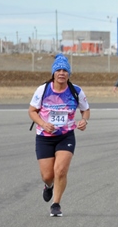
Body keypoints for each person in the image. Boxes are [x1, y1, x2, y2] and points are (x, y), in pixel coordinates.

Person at [28, 54, 90, 217]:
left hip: (66, 136)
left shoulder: (75, 91)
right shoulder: (43, 90)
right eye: (58, 70)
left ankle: (56, 204)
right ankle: (48, 186)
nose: (61, 73)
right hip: (44, 137)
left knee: (61, 170)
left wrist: (84, 120)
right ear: (53, 73)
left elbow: (86, 109)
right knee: (48, 176)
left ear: (69, 73)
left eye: (65, 70)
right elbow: (32, 111)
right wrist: (43, 124)